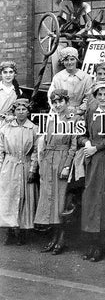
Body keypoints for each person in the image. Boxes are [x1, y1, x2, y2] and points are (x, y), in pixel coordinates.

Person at [79, 81, 105, 262]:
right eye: (99, 95)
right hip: (92, 160)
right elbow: (82, 133)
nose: (103, 98)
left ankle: (102, 246)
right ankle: (92, 242)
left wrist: (96, 147)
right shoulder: (91, 111)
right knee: (91, 198)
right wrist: (87, 143)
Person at [34, 89, 77, 255]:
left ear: (66, 101)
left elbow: (73, 146)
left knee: (61, 202)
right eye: (55, 102)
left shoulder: (72, 119)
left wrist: (67, 165)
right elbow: (43, 143)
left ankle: (61, 239)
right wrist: (42, 163)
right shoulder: (50, 119)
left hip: (62, 160)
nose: (58, 105)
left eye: (60, 101)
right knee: (49, 202)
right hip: (48, 161)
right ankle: (53, 238)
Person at [0, 99, 38, 246]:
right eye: (18, 109)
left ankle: (22, 231)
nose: (21, 112)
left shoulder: (34, 128)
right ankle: (10, 231)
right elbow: (1, 149)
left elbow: (36, 151)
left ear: (28, 111)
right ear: (14, 111)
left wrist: (32, 169)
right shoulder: (6, 128)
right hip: (9, 166)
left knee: (24, 197)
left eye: (24, 109)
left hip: (26, 164)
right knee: (9, 197)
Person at [48, 47, 93, 114]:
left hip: (80, 113)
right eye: (66, 60)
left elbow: (89, 97)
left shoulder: (86, 77)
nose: (69, 62)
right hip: (60, 112)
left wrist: (81, 109)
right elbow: (51, 96)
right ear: (63, 61)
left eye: (72, 59)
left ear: (76, 60)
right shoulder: (58, 77)